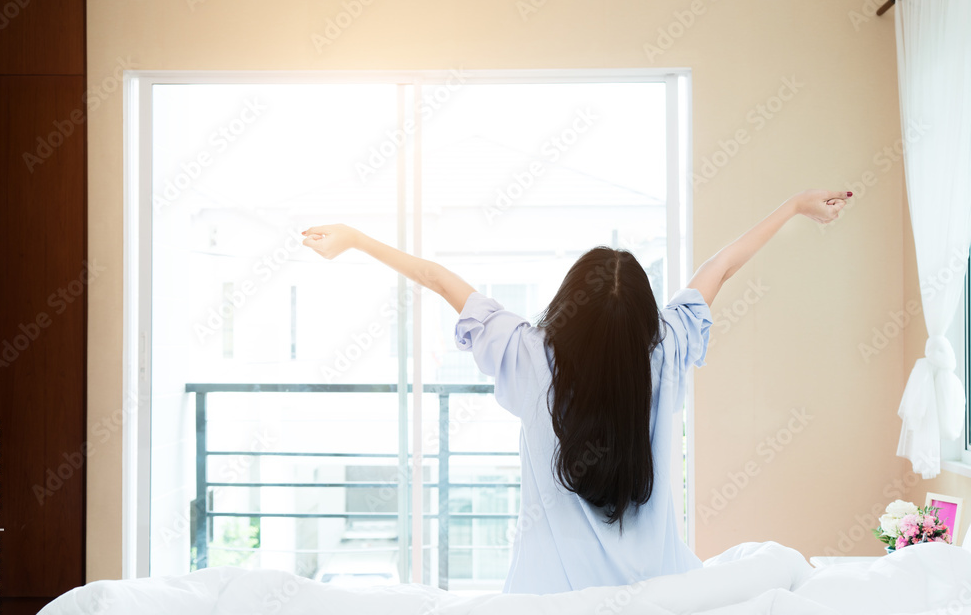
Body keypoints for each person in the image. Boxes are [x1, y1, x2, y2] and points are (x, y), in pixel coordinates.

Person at [302, 189, 851, 593]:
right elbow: (721, 267)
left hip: (546, 606)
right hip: (659, 597)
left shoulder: (526, 354)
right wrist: (794, 206)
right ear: (645, 319)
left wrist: (355, 240)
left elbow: (440, 280)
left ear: (567, 305)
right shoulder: (670, 350)